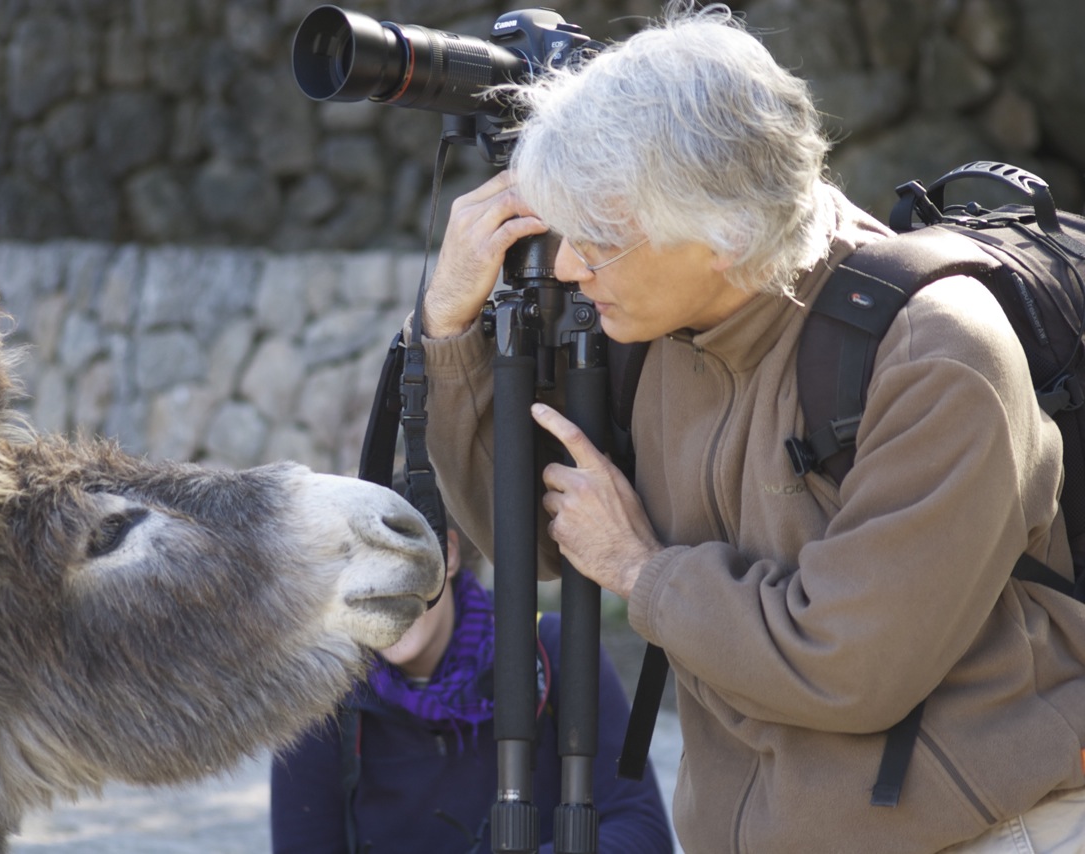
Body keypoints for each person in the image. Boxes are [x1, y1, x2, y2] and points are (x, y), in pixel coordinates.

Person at [414, 3, 1085, 853]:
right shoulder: (652, 326)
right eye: (565, 234)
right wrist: (449, 326)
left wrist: (640, 568)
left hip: (993, 830)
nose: (573, 268)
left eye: (601, 240)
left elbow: (848, 665)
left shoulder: (936, 353)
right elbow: (541, 545)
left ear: (723, 233)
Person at [269, 488, 674, 854]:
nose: (381, 596)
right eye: (357, 575)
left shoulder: (549, 649)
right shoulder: (322, 691)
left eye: (395, 567)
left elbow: (643, 832)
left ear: (446, 555)